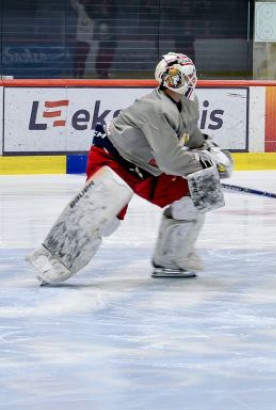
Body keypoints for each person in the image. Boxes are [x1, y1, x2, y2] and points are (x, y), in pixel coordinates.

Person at [26, 52, 233, 284]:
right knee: (103, 217)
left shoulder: (190, 104)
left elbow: (191, 137)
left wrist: (208, 152)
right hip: (114, 159)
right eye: (172, 77)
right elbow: (169, 160)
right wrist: (201, 166)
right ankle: (54, 262)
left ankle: (172, 259)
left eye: (180, 77)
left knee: (198, 195)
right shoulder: (154, 108)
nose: (176, 82)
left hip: (148, 168)